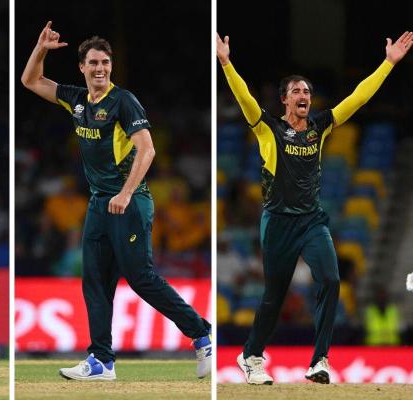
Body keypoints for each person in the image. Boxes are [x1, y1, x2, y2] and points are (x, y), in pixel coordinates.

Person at [217, 30, 413, 385]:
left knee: (332, 279)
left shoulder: (319, 126)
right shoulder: (268, 129)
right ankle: (251, 356)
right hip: (277, 223)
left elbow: (357, 99)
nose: (304, 95)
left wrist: (388, 64)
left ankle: (320, 359)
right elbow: (245, 99)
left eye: (307, 91)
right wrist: (227, 64)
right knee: (273, 298)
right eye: (297, 92)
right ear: (284, 101)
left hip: (311, 222)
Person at [21, 21, 212, 380]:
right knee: (94, 280)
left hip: (130, 201)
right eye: (93, 63)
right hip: (99, 204)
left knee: (141, 278)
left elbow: (148, 149)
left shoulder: (123, 101)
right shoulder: (77, 101)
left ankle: (202, 335)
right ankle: (101, 361)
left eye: (105, 63)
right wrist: (41, 49)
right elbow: (31, 81)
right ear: (82, 67)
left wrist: (125, 193)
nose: (99, 69)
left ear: (111, 67)